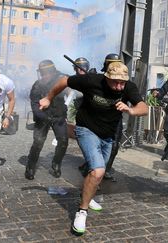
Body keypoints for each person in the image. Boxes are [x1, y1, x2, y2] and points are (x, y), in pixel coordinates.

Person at [39, 61, 148, 235]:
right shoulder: (92, 81)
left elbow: (144, 108)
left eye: (123, 83)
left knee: (98, 173)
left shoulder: (128, 87)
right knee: (97, 171)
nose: (120, 87)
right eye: (116, 82)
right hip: (86, 129)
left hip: (108, 135)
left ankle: (87, 197)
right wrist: (48, 98)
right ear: (107, 77)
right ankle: (82, 211)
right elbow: (64, 81)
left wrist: (131, 110)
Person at [78, 53, 123, 180]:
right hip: (98, 117)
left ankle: (105, 169)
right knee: (96, 147)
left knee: (114, 146)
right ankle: (92, 174)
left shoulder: (123, 78)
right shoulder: (98, 78)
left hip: (115, 117)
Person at [25, 60, 69, 180]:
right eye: (42, 72)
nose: (44, 75)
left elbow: (72, 93)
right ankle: (31, 166)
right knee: (38, 142)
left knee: (63, 141)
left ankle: (56, 163)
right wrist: (39, 115)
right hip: (42, 117)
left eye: (46, 72)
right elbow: (34, 102)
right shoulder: (37, 85)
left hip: (58, 116)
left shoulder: (61, 80)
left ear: (52, 72)